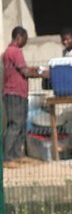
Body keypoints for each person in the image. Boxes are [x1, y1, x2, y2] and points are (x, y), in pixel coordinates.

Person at [3, 25, 37, 162]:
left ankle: (17, 155)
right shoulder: (15, 51)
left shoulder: (7, 52)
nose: (26, 42)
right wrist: (40, 73)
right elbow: (25, 72)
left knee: (20, 125)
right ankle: (7, 156)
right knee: (16, 125)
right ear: (19, 37)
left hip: (16, 93)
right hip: (15, 93)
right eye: (25, 39)